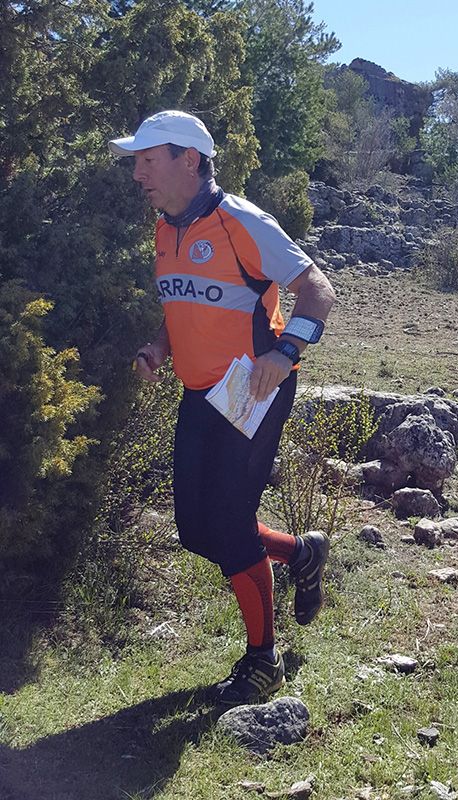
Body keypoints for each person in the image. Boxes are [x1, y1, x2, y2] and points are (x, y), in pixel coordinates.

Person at [108, 110, 336, 705]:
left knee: (230, 523)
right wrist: (160, 346)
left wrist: (285, 352)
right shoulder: (166, 228)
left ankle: (263, 661)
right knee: (195, 528)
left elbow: (318, 290)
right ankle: (301, 553)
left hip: (252, 390)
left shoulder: (239, 220)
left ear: (189, 159)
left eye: (147, 160)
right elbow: (183, 300)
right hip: (200, 390)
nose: (137, 174)